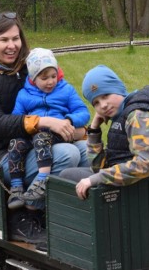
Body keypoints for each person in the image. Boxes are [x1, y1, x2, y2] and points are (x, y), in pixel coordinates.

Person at [0, 12, 88, 246]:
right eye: (4, 40)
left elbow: (59, 98)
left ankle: (69, 214)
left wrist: (73, 124)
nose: (12, 45)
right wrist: (43, 122)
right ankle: (24, 215)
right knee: (67, 155)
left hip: (39, 143)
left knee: (83, 149)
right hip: (5, 154)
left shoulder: (30, 69)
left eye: (16, 38)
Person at [60, 65, 149, 200]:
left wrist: (96, 179)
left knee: (70, 177)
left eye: (106, 95)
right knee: (67, 175)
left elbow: (145, 165)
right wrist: (94, 130)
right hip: (136, 184)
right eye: (96, 103)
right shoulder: (123, 115)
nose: (103, 105)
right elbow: (98, 167)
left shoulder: (139, 116)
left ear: (118, 89)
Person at [7, 48, 91, 209]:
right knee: (15, 144)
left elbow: (83, 112)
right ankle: (16, 187)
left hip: (56, 132)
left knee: (42, 138)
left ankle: (42, 178)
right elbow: (16, 118)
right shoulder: (24, 95)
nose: (51, 82)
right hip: (33, 131)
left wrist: (69, 120)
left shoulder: (65, 90)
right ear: (33, 78)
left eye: (54, 76)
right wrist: (26, 127)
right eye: (44, 78)